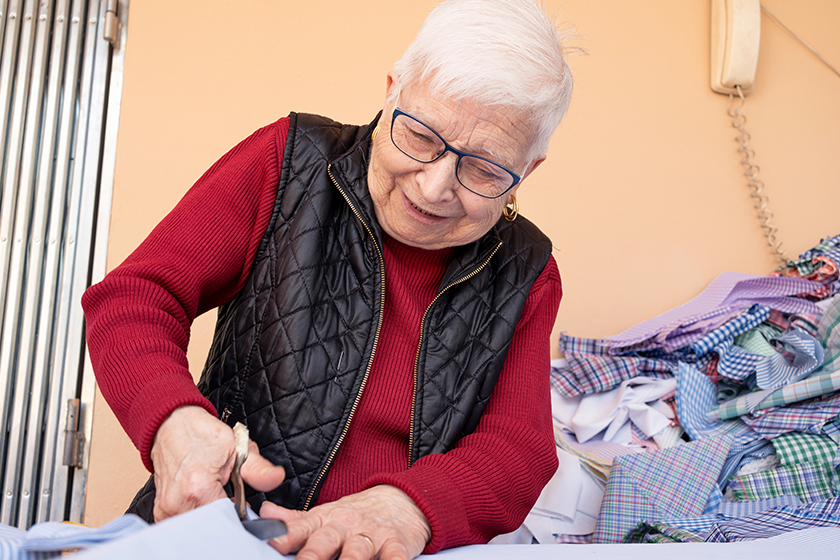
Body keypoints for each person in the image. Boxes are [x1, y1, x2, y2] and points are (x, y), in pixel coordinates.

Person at [82, 0, 573, 558]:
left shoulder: (528, 270)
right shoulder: (288, 163)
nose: (435, 188)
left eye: (484, 168)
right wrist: (174, 422)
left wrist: (406, 506)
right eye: (419, 135)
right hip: (214, 533)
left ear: (527, 170)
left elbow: (518, 449)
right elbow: (138, 296)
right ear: (392, 92)